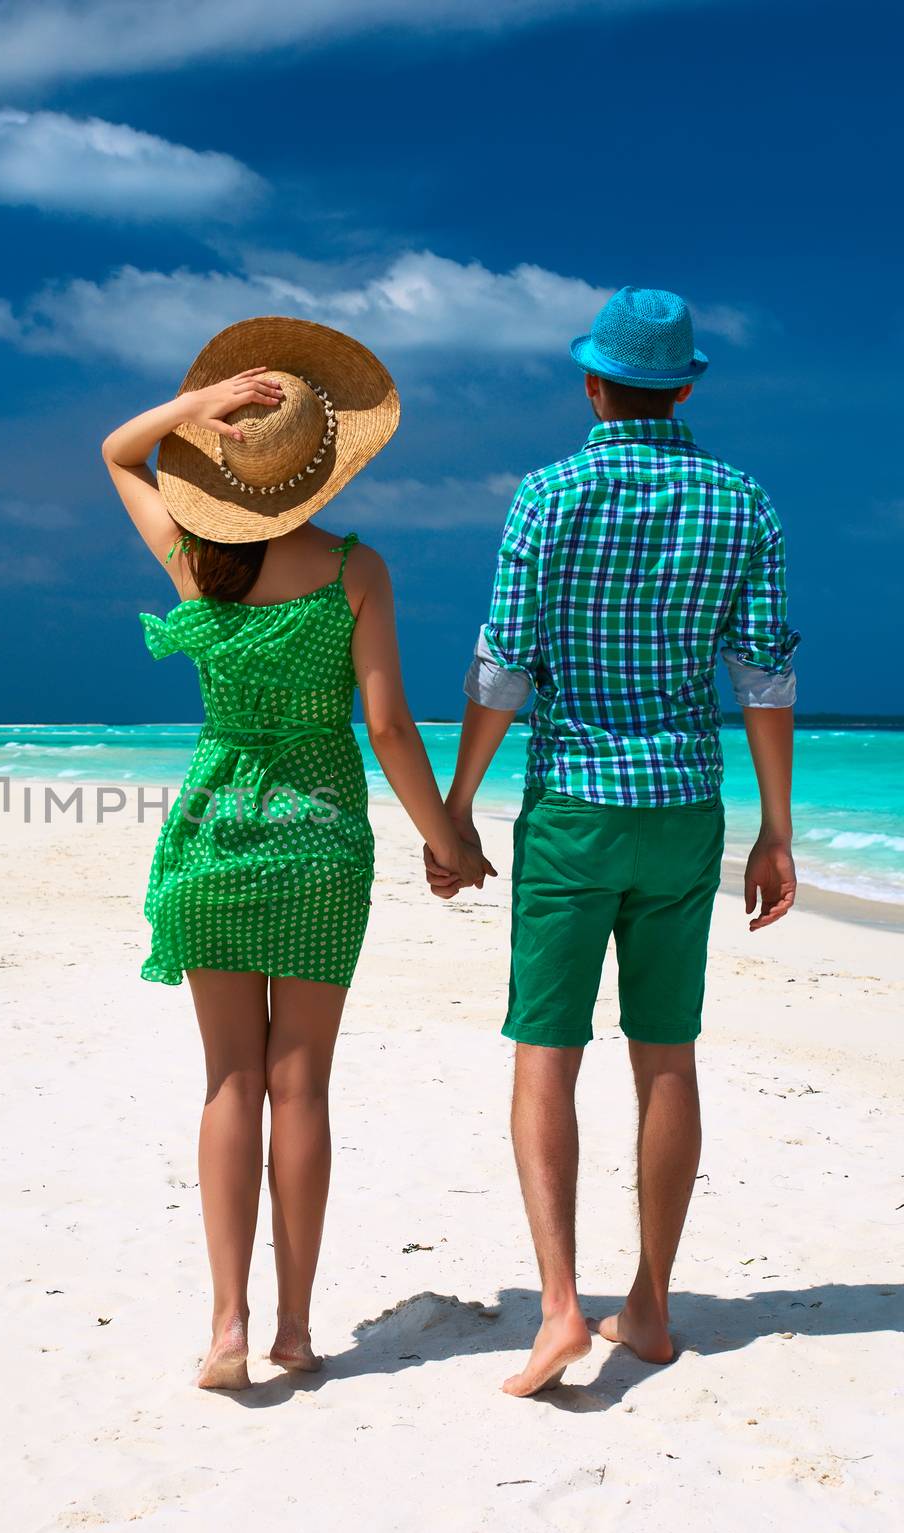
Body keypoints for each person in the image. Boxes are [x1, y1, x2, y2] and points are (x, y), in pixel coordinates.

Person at [103, 316, 493, 1390]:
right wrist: (446, 838)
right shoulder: (353, 568)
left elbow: (116, 452)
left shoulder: (194, 557)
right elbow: (390, 729)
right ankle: (293, 1329)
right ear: (320, 468)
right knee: (300, 1086)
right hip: (318, 836)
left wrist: (195, 408)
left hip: (215, 831)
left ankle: (224, 1326)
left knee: (228, 1082)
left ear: (225, 463)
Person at [427, 287, 800, 1395]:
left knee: (549, 1050)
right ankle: (646, 1302)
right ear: (684, 386)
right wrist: (778, 829)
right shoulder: (743, 502)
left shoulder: (547, 495)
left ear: (594, 385)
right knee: (666, 1053)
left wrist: (455, 804)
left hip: (576, 809)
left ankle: (555, 1309)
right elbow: (765, 673)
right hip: (683, 806)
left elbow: (505, 663)